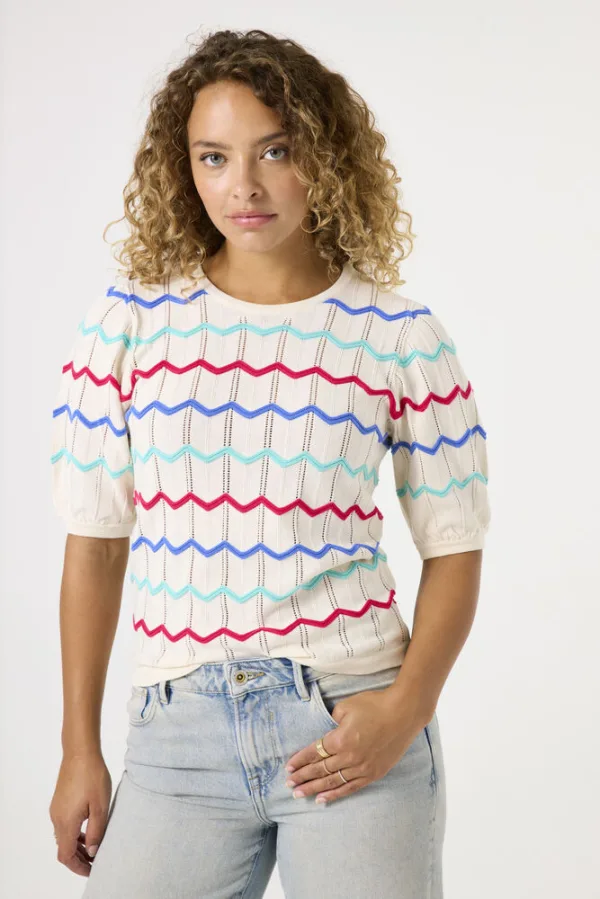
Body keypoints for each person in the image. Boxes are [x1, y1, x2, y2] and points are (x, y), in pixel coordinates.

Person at [48, 27, 491, 899]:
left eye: (275, 151)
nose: (242, 186)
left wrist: (406, 708)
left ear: (324, 158)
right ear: (183, 168)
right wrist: (78, 747)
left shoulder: (398, 336)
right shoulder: (130, 324)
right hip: (177, 738)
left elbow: (456, 547)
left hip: (349, 720)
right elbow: (94, 546)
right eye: (213, 158)